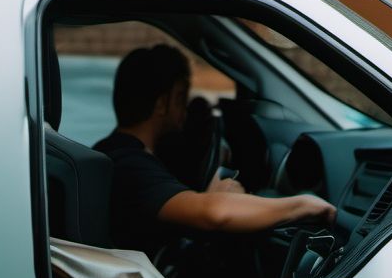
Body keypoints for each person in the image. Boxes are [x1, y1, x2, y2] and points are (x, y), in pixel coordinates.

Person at [93, 44, 336, 259]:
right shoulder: (129, 165)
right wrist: (302, 204)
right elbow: (215, 214)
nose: (186, 109)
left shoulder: (111, 151)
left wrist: (210, 194)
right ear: (161, 104)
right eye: (181, 97)